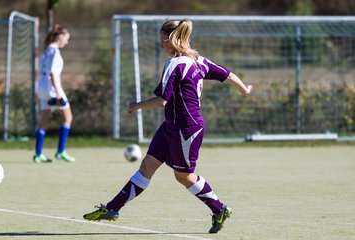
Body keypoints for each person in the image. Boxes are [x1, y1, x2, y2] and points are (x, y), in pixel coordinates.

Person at [83, 19, 253, 234]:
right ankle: (112, 209)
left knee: (184, 176)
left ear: (172, 39)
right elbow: (227, 74)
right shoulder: (198, 60)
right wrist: (244, 90)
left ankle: (219, 209)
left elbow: (162, 99)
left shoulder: (175, 64)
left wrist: (135, 106)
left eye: (163, 40)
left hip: (186, 129)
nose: (161, 44)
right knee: (147, 166)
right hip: (170, 126)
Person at [33, 25, 75, 163]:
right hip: (52, 89)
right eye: (66, 38)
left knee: (44, 121)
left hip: (43, 88)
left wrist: (38, 91)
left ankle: (38, 154)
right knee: (68, 118)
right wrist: (58, 94)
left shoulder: (46, 51)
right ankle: (61, 152)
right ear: (60, 36)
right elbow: (53, 73)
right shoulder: (55, 52)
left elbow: (41, 73)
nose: (67, 42)